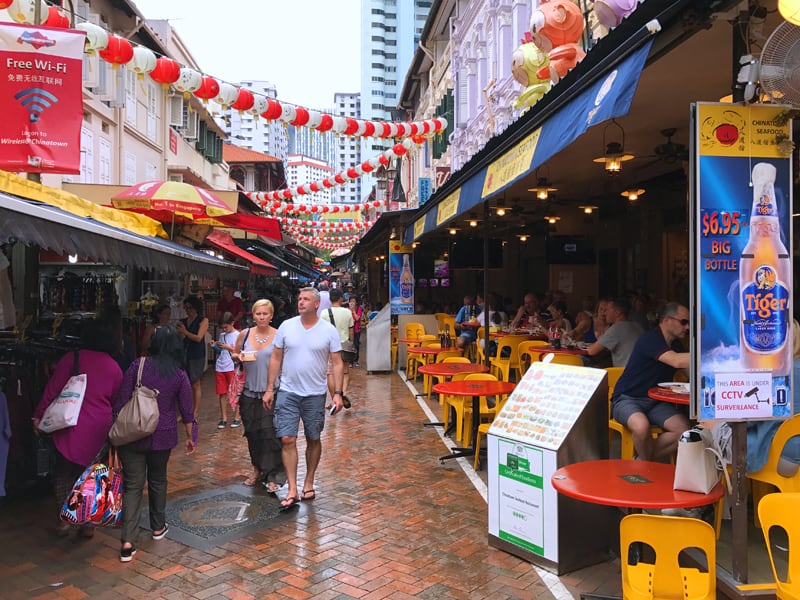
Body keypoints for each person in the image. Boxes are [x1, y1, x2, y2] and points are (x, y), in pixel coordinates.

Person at [32, 316, 124, 538]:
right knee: (95, 476)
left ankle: (64, 521)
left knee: (63, 472)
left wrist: (38, 415)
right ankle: (88, 524)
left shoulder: (70, 359)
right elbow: (116, 401)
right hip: (99, 429)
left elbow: (52, 390)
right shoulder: (114, 367)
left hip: (69, 424)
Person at [113, 325, 197, 563]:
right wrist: (192, 437)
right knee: (158, 480)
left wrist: (114, 431)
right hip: (163, 434)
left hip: (132, 434)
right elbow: (187, 410)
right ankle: (158, 528)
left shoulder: (136, 366)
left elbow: (120, 402)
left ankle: (128, 541)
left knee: (132, 486)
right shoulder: (179, 374)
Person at [264, 287, 344, 509]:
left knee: (313, 437)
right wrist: (270, 388)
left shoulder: (328, 330)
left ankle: (309, 481)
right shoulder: (287, 326)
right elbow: (276, 357)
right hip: (288, 391)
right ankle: (292, 488)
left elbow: (337, 362)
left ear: (317, 304)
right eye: (299, 299)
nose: (301, 302)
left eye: (306, 299)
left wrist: (337, 393)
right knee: (287, 439)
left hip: (315, 393)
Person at [610, 302, 691, 461]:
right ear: (667, 320)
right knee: (641, 427)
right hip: (627, 398)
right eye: (683, 322)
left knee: (684, 430)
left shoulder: (676, 345)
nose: (687, 327)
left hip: (656, 401)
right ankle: (646, 465)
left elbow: (688, 370)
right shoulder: (650, 339)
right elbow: (676, 361)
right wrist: (710, 354)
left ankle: (642, 461)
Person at [233, 299, 286, 492]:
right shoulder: (244, 334)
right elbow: (235, 354)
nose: (261, 317)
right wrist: (237, 357)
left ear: (271, 315)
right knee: (252, 433)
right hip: (248, 391)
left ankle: (273, 474)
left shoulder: (279, 335)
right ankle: (257, 468)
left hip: (271, 391)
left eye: (265, 314)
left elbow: (284, 360)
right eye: (258, 314)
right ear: (253, 315)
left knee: (270, 433)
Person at [747, 319, 800, 475]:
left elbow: (747, 420)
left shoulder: (773, 373)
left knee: (715, 432)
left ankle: (718, 498)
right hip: (793, 450)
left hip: (784, 458)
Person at [586, 297, 644, 367]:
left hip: (625, 373)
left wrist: (596, 343)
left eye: (607, 310)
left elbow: (591, 351)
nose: (605, 313)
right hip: (641, 372)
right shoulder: (637, 326)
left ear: (617, 312)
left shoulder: (617, 328)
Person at [176, 295, 209, 418]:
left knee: (196, 383)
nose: (187, 310)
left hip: (196, 355)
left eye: (190, 308)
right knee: (183, 384)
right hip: (184, 354)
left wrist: (185, 332)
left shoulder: (203, 320)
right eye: (186, 308)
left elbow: (198, 338)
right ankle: (184, 410)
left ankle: (195, 412)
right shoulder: (183, 321)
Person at [321, 288, 354, 408]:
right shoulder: (347, 312)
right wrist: (351, 343)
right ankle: (343, 393)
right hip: (344, 344)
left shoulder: (324, 313)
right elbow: (351, 330)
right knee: (345, 371)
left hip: (330, 346)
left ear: (330, 299)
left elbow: (322, 331)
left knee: (330, 372)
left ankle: (334, 398)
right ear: (341, 298)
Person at [212, 312, 241, 429]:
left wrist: (228, 347)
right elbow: (221, 351)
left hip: (232, 366)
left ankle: (237, 417)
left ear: (232, 323)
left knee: (235, 392)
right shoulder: (222, 335)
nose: (224, 329)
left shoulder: (238, 335)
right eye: (222, 327)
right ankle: (223, 418)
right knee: (222, 392)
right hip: (221, 366)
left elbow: (239, 351)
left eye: (226, 327)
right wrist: (215, 346)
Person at [349, 296, 364, 368]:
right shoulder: (347, 310)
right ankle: (350, 361)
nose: (352, 303)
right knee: (350, 345)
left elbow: (357, 318)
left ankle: (356, 360)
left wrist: (353, 312)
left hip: (356, 330)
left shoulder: (359, 309)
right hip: (349, 330)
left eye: (353, 301)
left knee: (356, 345)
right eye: (350, 301)